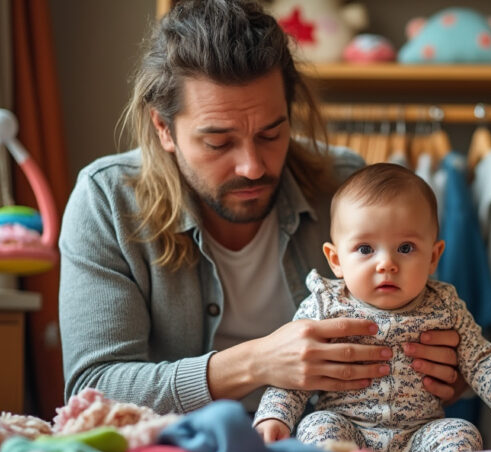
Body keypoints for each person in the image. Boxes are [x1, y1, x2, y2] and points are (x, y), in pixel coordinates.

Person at [58, 0, 463, 415]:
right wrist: (258, 362)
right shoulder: (107, 201)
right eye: (219, 142)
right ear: (164, 128)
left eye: (272, 134)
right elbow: (93, 387)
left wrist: (446, 370)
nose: (252, 167)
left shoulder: (347, 187)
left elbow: (448, 347)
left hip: (323, 449)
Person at [253, 163, 491, 452]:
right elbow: (292, 370)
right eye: (365, 248)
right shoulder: (324, 305)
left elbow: (481, 359)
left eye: (406, 247)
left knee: (462, 433)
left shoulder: (445, 305)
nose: (386, 263)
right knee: (317, 426)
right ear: (336, 260)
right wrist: (274, 416)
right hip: (348, 430)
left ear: (434, 257)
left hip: (419, 435)